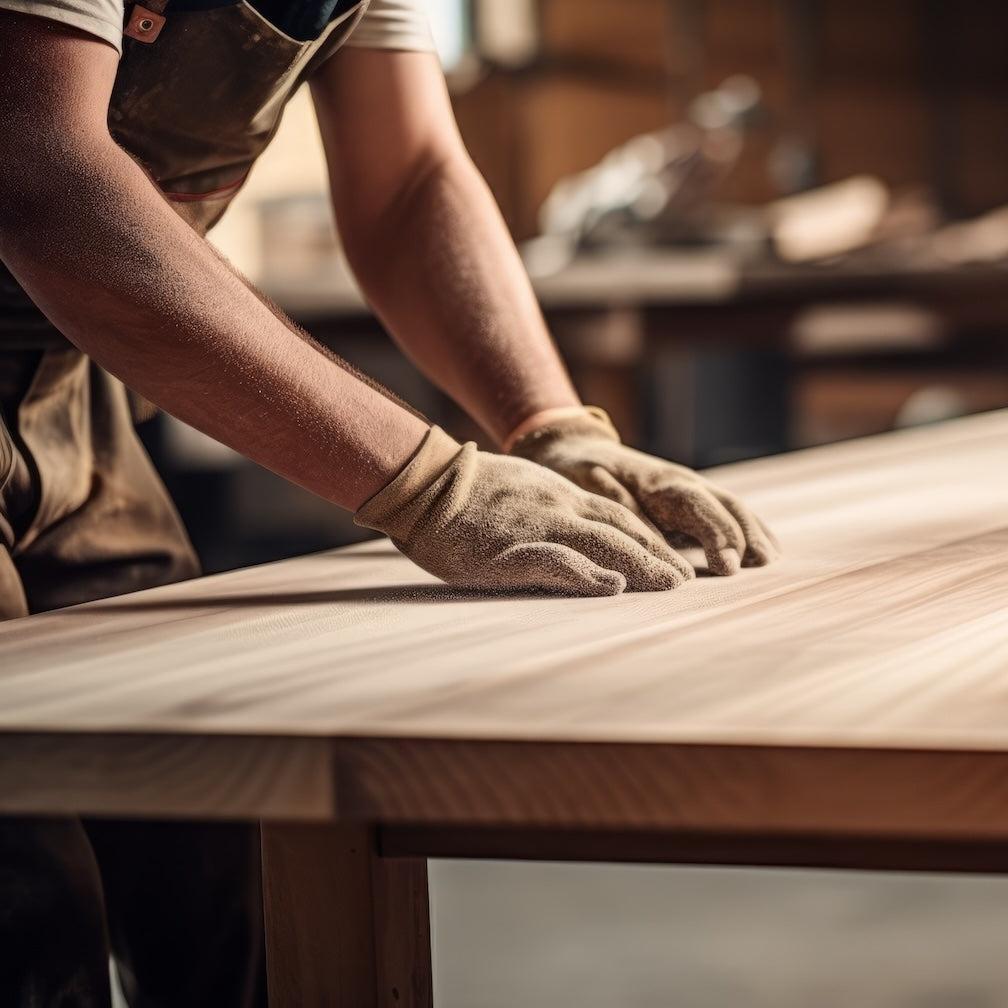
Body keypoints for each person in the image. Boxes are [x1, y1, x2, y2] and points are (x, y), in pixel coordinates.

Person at [0, 1, 778, 1003]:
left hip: (64, 397)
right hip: (56, 288)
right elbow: (39, 168)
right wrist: (427, 484)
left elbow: (409, 177)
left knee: (214, 845)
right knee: (28, 912)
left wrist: (550, 425)